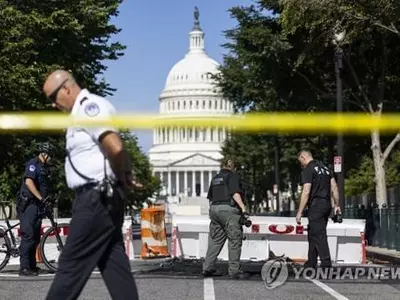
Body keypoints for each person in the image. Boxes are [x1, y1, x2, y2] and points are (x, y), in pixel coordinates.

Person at [42, 70, 141, 300]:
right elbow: (118, 147)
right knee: (115, 268)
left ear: (66, 88)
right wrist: (124, 173)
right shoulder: (81, 113)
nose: (54, 106)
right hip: (102, 199)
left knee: (69, 267)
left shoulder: (89, 108)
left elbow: (114, 147)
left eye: (53, 98)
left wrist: (116, 176)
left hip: (95, 199)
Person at [202, 158, 250, 279]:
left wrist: (212, 211)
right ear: (232, 166)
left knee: (215, 240)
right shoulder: (232, 176)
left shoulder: (215, 178)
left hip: (214, 209)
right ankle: (234, 270)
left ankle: (207, 267)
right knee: (235, 239)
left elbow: (210, 198)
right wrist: (243, 209)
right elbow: (235, 193)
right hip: (228, 210)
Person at [296, 150, 341, 269]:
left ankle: (326, 266)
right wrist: (337, 205)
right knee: (313, 233)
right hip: (326, 205)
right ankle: (311, 263)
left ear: (303, 157)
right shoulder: (326, 169)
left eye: (300, 161)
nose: (301, 164)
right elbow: (334, 187)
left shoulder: (308, 169)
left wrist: (300, 211)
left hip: (316, 205)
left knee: (319, 235)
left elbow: (306, 191)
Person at [17, 142, 54, 276]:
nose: (51, 158)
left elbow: (44, 186)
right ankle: (24, 268)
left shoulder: (44, 168)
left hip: (38, 206)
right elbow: (29, 182)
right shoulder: (33, 164)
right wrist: (40, 198)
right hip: (29, 205)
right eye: (50, 155)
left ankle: (32, 266)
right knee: (29, 235)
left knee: (36, 237)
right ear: (43, 154)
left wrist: (48, 199)